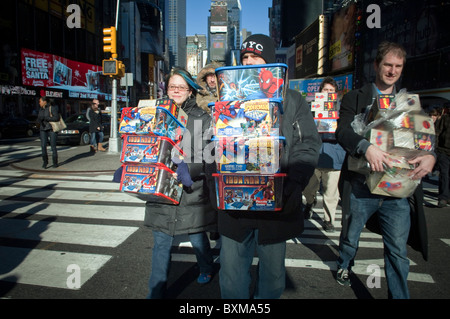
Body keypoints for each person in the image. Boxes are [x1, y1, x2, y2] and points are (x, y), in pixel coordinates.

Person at [217, 34, 321, 299]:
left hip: (277, 200)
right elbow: (210, 143)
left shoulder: (293, 99)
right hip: (235, 200)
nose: (249, 62)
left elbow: (308, 143)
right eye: (245, 57)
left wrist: (294, 183)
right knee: (231, 274)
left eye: (256, 57)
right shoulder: (226, 99)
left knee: (273, 277)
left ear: (271, 62)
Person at [335, 41, 435, 298]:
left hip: (397, 189)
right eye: (388, 65)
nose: (392, 70)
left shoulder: (409, 103)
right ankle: (345, 262)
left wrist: (430, 156)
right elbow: (343, 131)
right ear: (376, 65)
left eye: (398, 66)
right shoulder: (355, 97)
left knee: (397, 252)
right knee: (350, 237)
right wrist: (366, 147)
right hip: (361, 185)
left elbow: (422, 139)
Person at [144, 67, 216, 299]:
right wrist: (132, 163)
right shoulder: (156, 112)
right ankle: (156, 292)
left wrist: (189, 168)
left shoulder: (201, 118)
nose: (176, 91)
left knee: (197, 237)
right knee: (161, 242)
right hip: (161, 187)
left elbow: (207, 154)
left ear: (190, 90)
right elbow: (144, 143)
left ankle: (206, 266)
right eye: (172, 86)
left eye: (181, 87)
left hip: (190, 190)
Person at [303, 77, 346, 232]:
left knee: (331, 193)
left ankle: (329, 220)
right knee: (308, 188)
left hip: (334, 157)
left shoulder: (341, 110)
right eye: (325, 90)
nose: (328, 93)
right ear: (320, 92)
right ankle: (309, 203)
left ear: (336, 94)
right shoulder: (310, 108)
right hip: (314, 156)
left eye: (331, 91)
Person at [429, 106, 450, 207]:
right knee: (444, 174)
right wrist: (436, 149)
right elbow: (437, 133)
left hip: (444, 150)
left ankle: (447, 197)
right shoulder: (445, 118)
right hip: (443, 151)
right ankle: (443, 197)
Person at [37, 96, 60, 169]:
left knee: (53, 146)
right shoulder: (41, 109)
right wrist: (39, 120)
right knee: (43, 146)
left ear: (44, 102)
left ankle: (55, 162)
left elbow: (57, 117)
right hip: (43, 129)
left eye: (40, 101)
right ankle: (45, 162)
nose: (39, 103)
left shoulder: (51, 108)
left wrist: (47, 118)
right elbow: (39, 118)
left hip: (51, 128)